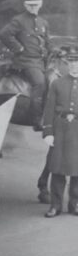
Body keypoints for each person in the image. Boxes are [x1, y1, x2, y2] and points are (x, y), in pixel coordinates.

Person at [0, 0, 51, 130]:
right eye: (30, 5)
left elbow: (47, 42)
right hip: (25, 61)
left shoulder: (43, 22)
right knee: (39, 83)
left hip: (41, 61)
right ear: (25, 5)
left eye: (35, 5)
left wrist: (54, 53)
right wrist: (18, 48)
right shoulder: (19, 20)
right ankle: (36, 118)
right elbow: (4, 34)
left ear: (40, 4)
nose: (33, 7)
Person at [40, 47, 78, 217]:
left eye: (77, 63)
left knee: (77, 169)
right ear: (66, 64)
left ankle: (75, 204)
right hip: (60, 128)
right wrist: (48, 132)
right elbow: (49, 109)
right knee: (57, 168)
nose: (74, 66)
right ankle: (55, 205)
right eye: (71, 62)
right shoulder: (57, 83)